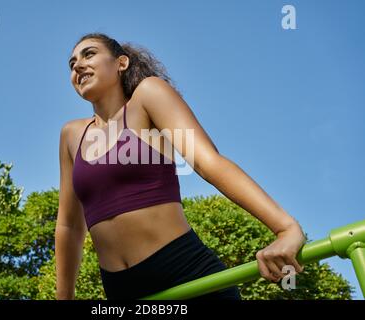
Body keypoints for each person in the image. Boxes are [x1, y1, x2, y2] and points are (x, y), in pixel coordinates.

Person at [55, 32, 306, 300]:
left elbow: (208, 162)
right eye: (72, 64)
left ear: (121, 63)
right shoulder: (71, 135)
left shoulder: (148, 95)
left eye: (89, 54)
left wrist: (285, 227)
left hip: (184, 272)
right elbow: (69, 226)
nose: (78, 65)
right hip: (122, 292)